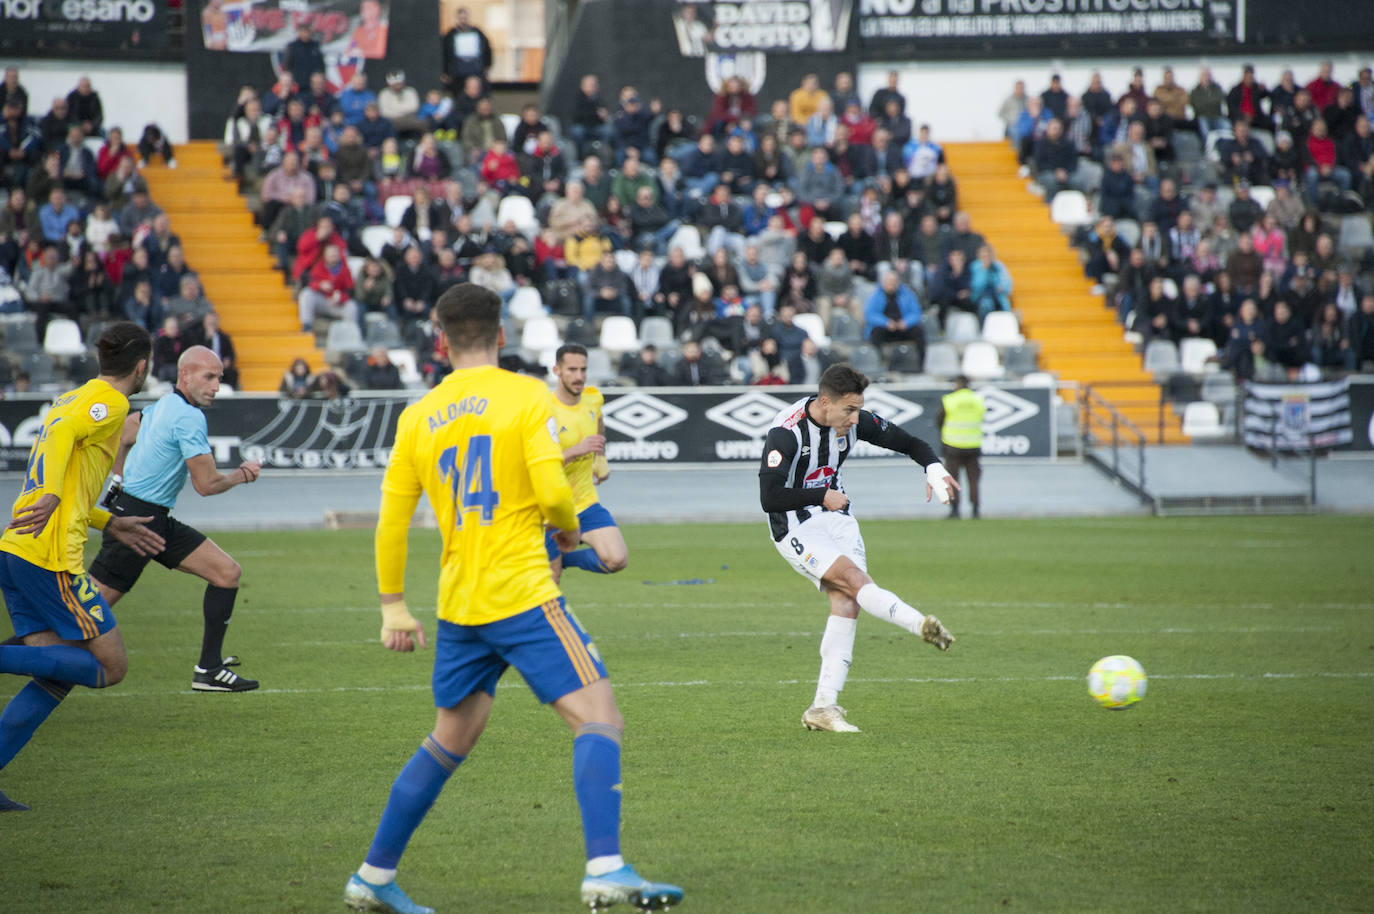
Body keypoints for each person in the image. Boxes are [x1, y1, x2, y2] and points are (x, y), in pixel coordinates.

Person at [343, 284, 682, 913]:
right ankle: (606, 867)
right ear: (502, 336)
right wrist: (570, 533)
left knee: (450, 739)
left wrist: (393, 604)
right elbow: (554, 493)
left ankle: (373, 877)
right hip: (522, 592)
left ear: (439, 340)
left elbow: (391, 521)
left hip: (460, 604)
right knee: (600, 717)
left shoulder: (418, 416)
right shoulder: (527, 396)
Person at [0, 323, 164, 812]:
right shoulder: (111, 405)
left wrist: (108, 523)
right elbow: (62, 450)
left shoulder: (73, 397)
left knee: (55, 676)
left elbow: (71, 478)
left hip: (19, 550)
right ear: (142, 365)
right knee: (111, 667)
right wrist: (50, 489)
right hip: (51, 560)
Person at [758, 364, 956, 734]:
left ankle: (822, 708)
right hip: (795, 523)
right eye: (848, 410)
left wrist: (933, 469)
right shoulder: (786, 434)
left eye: (857, 409)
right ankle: (920, 624)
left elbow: (911, 443)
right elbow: (770, 497)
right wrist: (821, 494)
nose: (855, 418)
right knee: (854, 580)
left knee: (848, 600)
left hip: (837, 516)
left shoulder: (854, 421)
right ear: (824, 402)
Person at [88, 347, 262, 691]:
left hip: (150, 518)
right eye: (208, 377)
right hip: (137, 525)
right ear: (185, 376)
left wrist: (120, 483)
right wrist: (242, 475)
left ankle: (208, 670)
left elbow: (126, 432)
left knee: (227, 573)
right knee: (80, 620)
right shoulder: (189, 417)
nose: (215, 386)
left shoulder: (163, 405)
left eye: (219, 379)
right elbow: (207, 485)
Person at [545, 344, 627, 582]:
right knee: (552, 583)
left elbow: (598, 422)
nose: (579, 376)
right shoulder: (545, 410)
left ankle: (562, 558)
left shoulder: (593, 398)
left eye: (583, 369)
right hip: (553, 509)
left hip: (584, 501)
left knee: (616, 559)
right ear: (557, 370)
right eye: (571, 370)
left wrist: (600, 457)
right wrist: (576, 451)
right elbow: (539, 465)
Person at [936, 376, 985, 520]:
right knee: (974, 479)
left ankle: (955, 510)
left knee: (952, 479)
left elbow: (940, 420)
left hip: (953, 445)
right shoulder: (978, 400)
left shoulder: (950, 400)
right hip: (973, 445)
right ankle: (975, 509)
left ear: (957, 384)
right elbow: (981, 417)